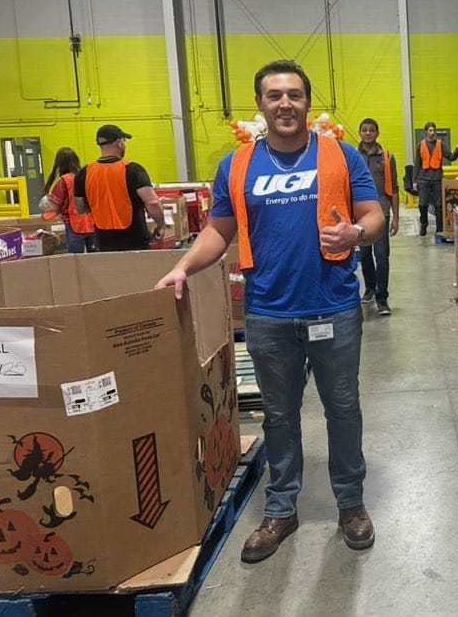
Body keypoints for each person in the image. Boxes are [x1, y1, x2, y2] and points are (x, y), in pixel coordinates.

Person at [155, 60, 384, 563]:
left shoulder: (341, 156)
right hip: (268, 314)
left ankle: (351, 503)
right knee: (279, 415)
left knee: (343, 410)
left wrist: (355, 235)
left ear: (307, 102)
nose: (286, 104)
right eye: (275, 95)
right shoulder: (236, 166)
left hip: (334, 309)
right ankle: (281, 508)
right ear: (259, 104)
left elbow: (375, 216)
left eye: (295, 95)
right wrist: (183, 268)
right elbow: (218, 230)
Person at [74, 125, 166, 251]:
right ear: (119, 144)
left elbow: (80, 208)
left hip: (103, 242)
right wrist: (161, 225)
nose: (125, 146)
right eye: (124, 142)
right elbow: (152, 202)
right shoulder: (133, 170)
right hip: (135, 241)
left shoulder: (85, 173)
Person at [356, 117, 399, 316]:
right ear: (360, 133)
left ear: (377, 133)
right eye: (364, 130)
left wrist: (396, 218)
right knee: (364, 255)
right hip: (360, 214)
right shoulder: (354, 157)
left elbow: (395, 189)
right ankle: (370, 288)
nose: (368, 133)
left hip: (382, 212)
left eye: (371, 130)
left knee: (382, 256)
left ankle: (382, 298)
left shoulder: (387, 157)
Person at [41, 147, 97, 253]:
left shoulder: (64, 181)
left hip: (74, 224)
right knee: (96, 258)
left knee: (75, 260)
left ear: (59, 164)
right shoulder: (88, 176)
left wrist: (47, 208)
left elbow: (54, 205)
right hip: (93, 223)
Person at [412, 121, 458, 236]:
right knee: (422, 204)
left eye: (434, 130)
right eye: (430, 130)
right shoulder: (420, 145)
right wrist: (414, 181)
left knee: (439, 205)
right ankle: (424, 224)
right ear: (426, 132)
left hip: (437, 179)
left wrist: (457, 151)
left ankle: (439, 229)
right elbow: (417, 164)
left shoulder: (441, 144)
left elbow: (451, 157)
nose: (432, 133)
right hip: (423, 179)